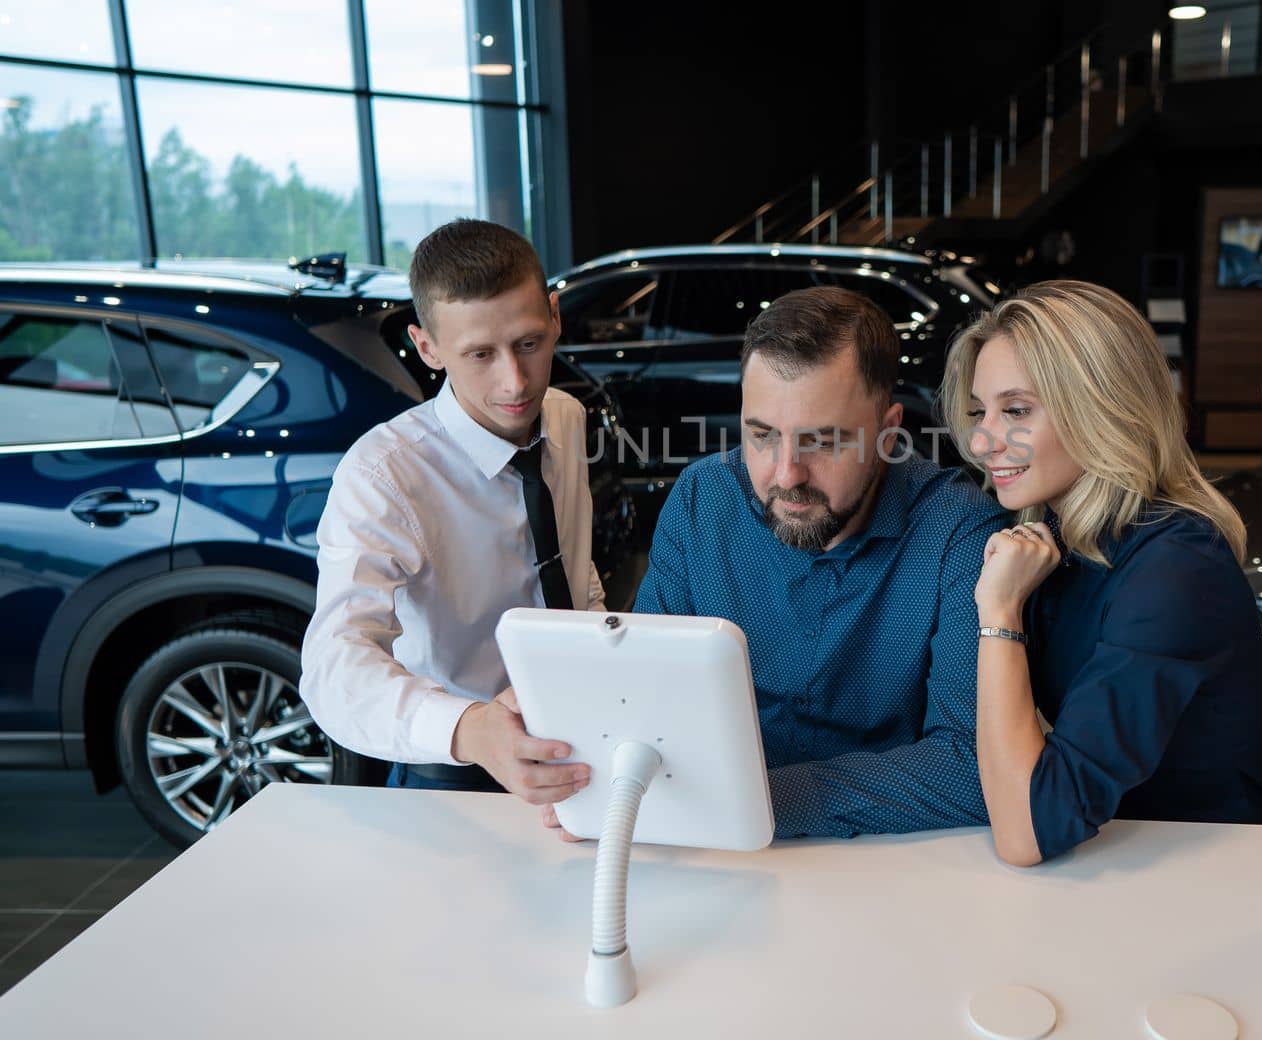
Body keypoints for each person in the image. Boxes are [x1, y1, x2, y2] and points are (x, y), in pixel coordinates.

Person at [623, 286, 1007, 839]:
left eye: (821, 442)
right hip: (715, 851)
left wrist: (753, 796)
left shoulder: (957, 532)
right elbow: (643, 703)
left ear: (888, 430)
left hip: (895, 867)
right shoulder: (700, 502)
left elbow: (972, 766)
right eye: (762, 437)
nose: (786, 475)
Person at [939, 280, 1262, 867]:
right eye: (980, 411)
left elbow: (1028, 833)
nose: (982, 439)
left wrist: (998, 614)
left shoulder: (1176, 566)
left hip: (1208, 888)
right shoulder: (1057, 539)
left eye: (1016, 410)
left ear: (1100, 406)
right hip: (1110, 874)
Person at [301, 218, 602, 805]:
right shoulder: (383, 474)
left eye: (529, 344)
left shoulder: (565, 413)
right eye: (480, 354)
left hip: (585, 740)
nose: (514, 382)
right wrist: (469, 731)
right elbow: (333, 667)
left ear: (556, 317)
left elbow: (571, 563)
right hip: (454, 774)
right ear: (428, 348)